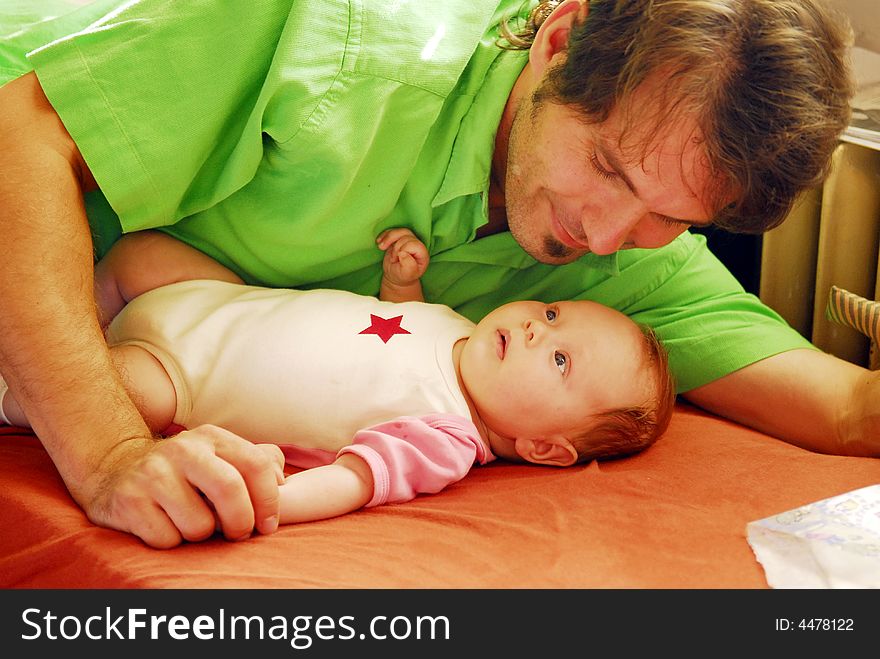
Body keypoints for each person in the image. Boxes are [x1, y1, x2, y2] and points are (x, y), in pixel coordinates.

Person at [0, 0, 871, 549]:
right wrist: (112, 452)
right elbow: (20, 138)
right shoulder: (337, 36)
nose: (606, 237)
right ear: (559, 42)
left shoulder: (634, 267)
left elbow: (842, 409)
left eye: (673, 216)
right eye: (608, 167)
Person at [1, 228, 676, 523]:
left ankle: (17, 381)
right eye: (554, 312)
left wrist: (275, 498)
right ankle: (52, 321)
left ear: (544, 447)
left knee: (123, 393)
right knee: (139, 256)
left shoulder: (444, 437)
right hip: (218, 300)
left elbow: (356, 481)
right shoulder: (460, 328)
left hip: (182, 375)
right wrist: (401, 282)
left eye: (559, 358)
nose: (537, 327)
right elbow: (395, 327)